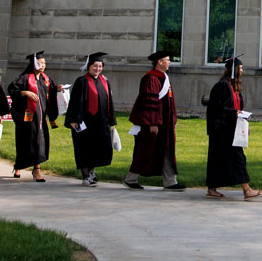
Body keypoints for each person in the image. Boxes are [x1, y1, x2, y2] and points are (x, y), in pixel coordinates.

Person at [124, 50, 185, 191]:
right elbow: (150, 101)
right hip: (154, 123)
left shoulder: (164, 77)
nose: (170, 62)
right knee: (145, 151)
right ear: (159, 61)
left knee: (166, 150)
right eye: (167, 60)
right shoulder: (151, 78)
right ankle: (130, 178)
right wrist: (152, 122)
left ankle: (170, 181)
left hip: (164, 123)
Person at [205, 56, 262, 200]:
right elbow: (217, 108)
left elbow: (237, 107)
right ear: (233, 70)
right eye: (241, 68)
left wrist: (243, 122)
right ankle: (247, 189)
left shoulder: (233, 86)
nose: (243, 70)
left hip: (232, 128)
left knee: (219, 159)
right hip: (222, 129)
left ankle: (211, 188)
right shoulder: (223, 85)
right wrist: (234, 112)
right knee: (237, 158)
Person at [65, 52, 117, 186]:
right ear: (89, 66)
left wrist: (112, 121)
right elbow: (75, 102)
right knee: (85, 149)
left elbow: (109, 101)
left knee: (97, 149)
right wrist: (74, 119)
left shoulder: (104, 81)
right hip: (85, 123)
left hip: (100, 122)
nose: (97, 69)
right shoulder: (82, 81)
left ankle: (92, 172)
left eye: (100, 66)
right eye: (95, 66)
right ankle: (86, 176)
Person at [8, 51, 59, 181]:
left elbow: (51, 91)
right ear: (33, 64)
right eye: (40, 63)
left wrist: (57, 88)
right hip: (27, 118)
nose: (42, 66)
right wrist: (24, 92)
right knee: (25, 142)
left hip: (40, 118)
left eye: (44, 63)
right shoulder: (25, 78)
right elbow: (12, 90)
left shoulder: (45, 79)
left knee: (39, 142)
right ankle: (19, 165)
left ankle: (36, 169)